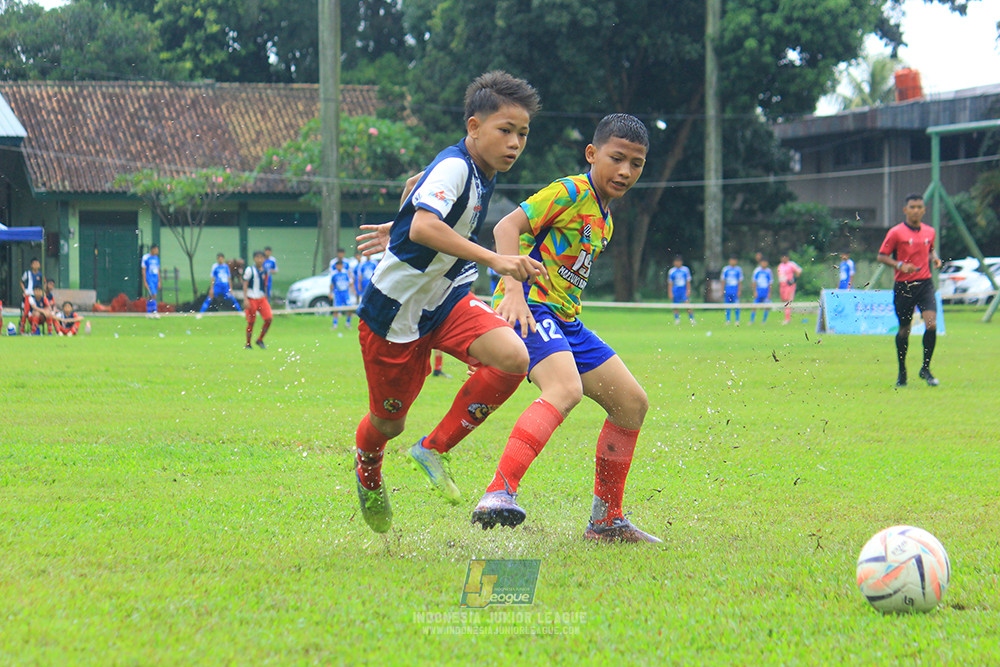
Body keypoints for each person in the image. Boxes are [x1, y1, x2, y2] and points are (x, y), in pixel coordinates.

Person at [350, 70, 543, 534]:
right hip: (393, 313)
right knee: (386, 422)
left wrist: (398, 221)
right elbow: (422, 227)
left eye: (522, 133)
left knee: (514, 357)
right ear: (474, 128)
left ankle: (433, 448)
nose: (515, 142)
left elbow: (419, 187)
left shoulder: (481, 166)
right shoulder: (458, 165)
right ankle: (368, 468)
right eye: (505, 131)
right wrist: (495, 258)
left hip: (447, 297)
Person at [470, 113, 660, 544]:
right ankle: (497, 493)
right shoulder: (570, 191)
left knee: (632, 403)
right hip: (533, 311)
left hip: (567, 323)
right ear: (592, 154)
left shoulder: (605, 220)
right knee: (565, 389)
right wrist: (512, 293)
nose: (626, 171)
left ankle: (606, 522)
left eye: (637, 163)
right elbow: (506, 227)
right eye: (617, 159)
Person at [876, 194, 942, 387]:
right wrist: (899, 265)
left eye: (919, 207)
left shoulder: (930, 231)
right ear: (905, 210)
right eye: (912, 207)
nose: (916, 210)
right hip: (904, 286)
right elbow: (881, 256)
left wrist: (935, 258)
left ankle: (925, 369)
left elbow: (930, 249)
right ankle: (902, 371)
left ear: (924, 210)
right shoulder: (896, 232)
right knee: (905, 329)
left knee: (931, 325)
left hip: (925, 284)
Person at [243, 250, 273, 349]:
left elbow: (265, 285)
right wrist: (245, 298)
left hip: (261, 298)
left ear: (264, 259)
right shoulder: (249, 270)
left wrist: (267, 298)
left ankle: (260, 339)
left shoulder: (265, 271)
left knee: (269, 318)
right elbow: (245, 284)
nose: (259, 260)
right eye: (257, 257)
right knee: (251, 321)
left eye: (261, 258)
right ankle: (248, 343)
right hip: (251, 298)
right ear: (254, 259)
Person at [668, 255, 694, 325]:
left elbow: (688, 281)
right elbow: (670, 283)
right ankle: (677, 319)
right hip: (676, 290)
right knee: (675, 305)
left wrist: (688, 290)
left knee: (687, 304)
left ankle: (691, 319)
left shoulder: (685, 270)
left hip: (683, 290)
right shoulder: (672, 271)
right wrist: (670, 292)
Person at [777, 254, 803, 324]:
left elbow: (799, 270)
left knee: (788, 301)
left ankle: (787, 318)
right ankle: (786, 317)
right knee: (784, 300)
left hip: (789, 285)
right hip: (782, 285)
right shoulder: (780, 265)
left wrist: (794, 280)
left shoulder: (791, 264)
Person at [19, 257, 43, 333]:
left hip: (36, 296)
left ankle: (34, 328)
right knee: (25, 312)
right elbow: (21, 281)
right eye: (34, 264)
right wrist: (25, 290)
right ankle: (22, 329)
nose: (36, 265)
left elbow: (44, 283)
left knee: (34, 311)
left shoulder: (41, 275)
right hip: (28, 295)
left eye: (37, 264)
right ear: (31, 265)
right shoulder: (27, 273)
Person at [329, 258, 354, 329]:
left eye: (341, 265)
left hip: (345, 294)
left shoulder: (345, 273)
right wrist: (330, 293)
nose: (339, 267)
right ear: (336, 266)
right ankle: (335, 324)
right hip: (338, 294)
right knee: (336, 309)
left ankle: (348, 323)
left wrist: (351, 290)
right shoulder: (334, 274)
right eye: (338, 265)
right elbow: (332, 284)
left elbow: (349, 282)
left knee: (350, 308)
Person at [750, 257, 772, 324]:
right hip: (758, 291)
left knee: (767, 306)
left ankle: (764, 321)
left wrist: (769, 293)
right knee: (754, 306)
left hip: (765, 291)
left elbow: (770, 283)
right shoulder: (757, 271)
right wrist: (754, 292)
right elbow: (754, 282)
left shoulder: (768, 271)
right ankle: (752, 320)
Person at [721, 257, 743, 325]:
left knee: (736, 306)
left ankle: (737, 320)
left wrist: (739, 290)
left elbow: (740, 281)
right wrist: (722, 290)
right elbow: (723, 280)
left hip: (735, 290)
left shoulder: (738, 270)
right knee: (727, 306)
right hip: (728, 290)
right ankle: (728, 320)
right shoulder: (726, 269)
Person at [141, 244, 161, 318]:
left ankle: (148, 312)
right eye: (156, 249)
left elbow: (158, 270)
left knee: (150, 296)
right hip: (149, 279)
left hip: (155, 279)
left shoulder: (156, 259)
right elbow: (143, 270)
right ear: (152, 249)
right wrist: (145, 281)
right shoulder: (146, 257)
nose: (157, 251)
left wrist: (159, 281)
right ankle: (155, 311)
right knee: (154, 295)